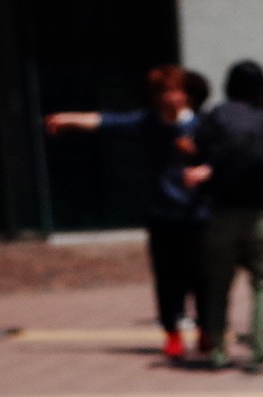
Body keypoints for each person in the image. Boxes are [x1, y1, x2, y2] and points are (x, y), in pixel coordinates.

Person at [46, 65, 213, 361]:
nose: (172, 97)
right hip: (162, 214)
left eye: (177, 90)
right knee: (167, 277)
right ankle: (172, 333)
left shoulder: (203, 125)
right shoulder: (147, 123)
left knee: (202, 275)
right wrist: (67, 119)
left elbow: (227, 157)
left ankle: (206, 331)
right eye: (165, 92)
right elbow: (104, 121)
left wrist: (205, 170)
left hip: (198, 213)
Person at [189, 60, 263, 372]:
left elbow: (198, 152)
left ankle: (218, 352)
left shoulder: (215, 116)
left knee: (218, 285)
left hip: (221, 212)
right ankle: (259, 354)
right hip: (261, 212)